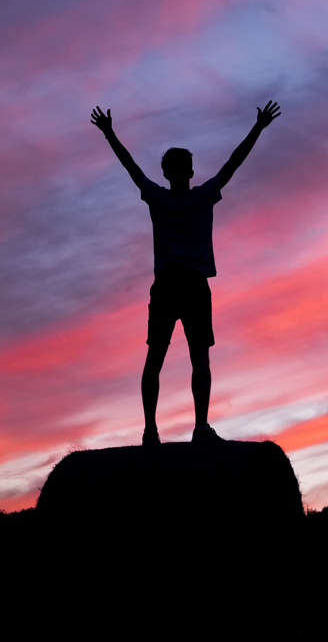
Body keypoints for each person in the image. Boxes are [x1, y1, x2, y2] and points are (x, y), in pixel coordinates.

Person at [90, 101, 281, 445]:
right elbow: (233, 163)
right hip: (193, 284)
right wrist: (259, 127)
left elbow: (130, 166)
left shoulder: (156, 196)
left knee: (155, 358)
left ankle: (150, 430)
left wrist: (109, 133)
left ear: (166, 173)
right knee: (199, 359)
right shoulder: (203, 196)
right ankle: (200, 428)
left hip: (165, 285)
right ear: (190, 171)